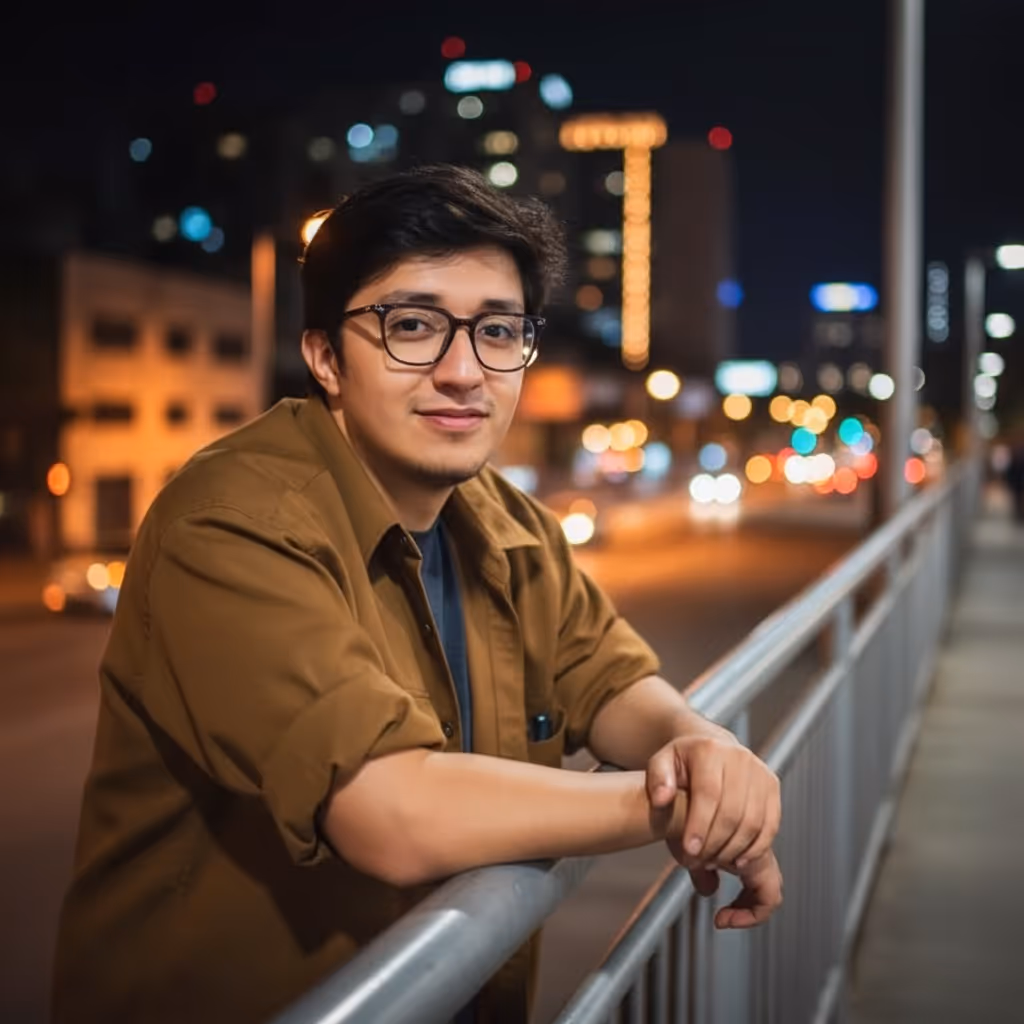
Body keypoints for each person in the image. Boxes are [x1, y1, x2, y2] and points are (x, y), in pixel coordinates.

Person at [52, 166, 782, 1024]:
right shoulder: (233, 524)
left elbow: (609, 682)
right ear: (325, 356)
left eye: (498, 331)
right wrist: (679, 808)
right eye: (412, 327)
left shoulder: (502, 520)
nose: (464, 371)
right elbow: (388, 811)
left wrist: (706, 750)